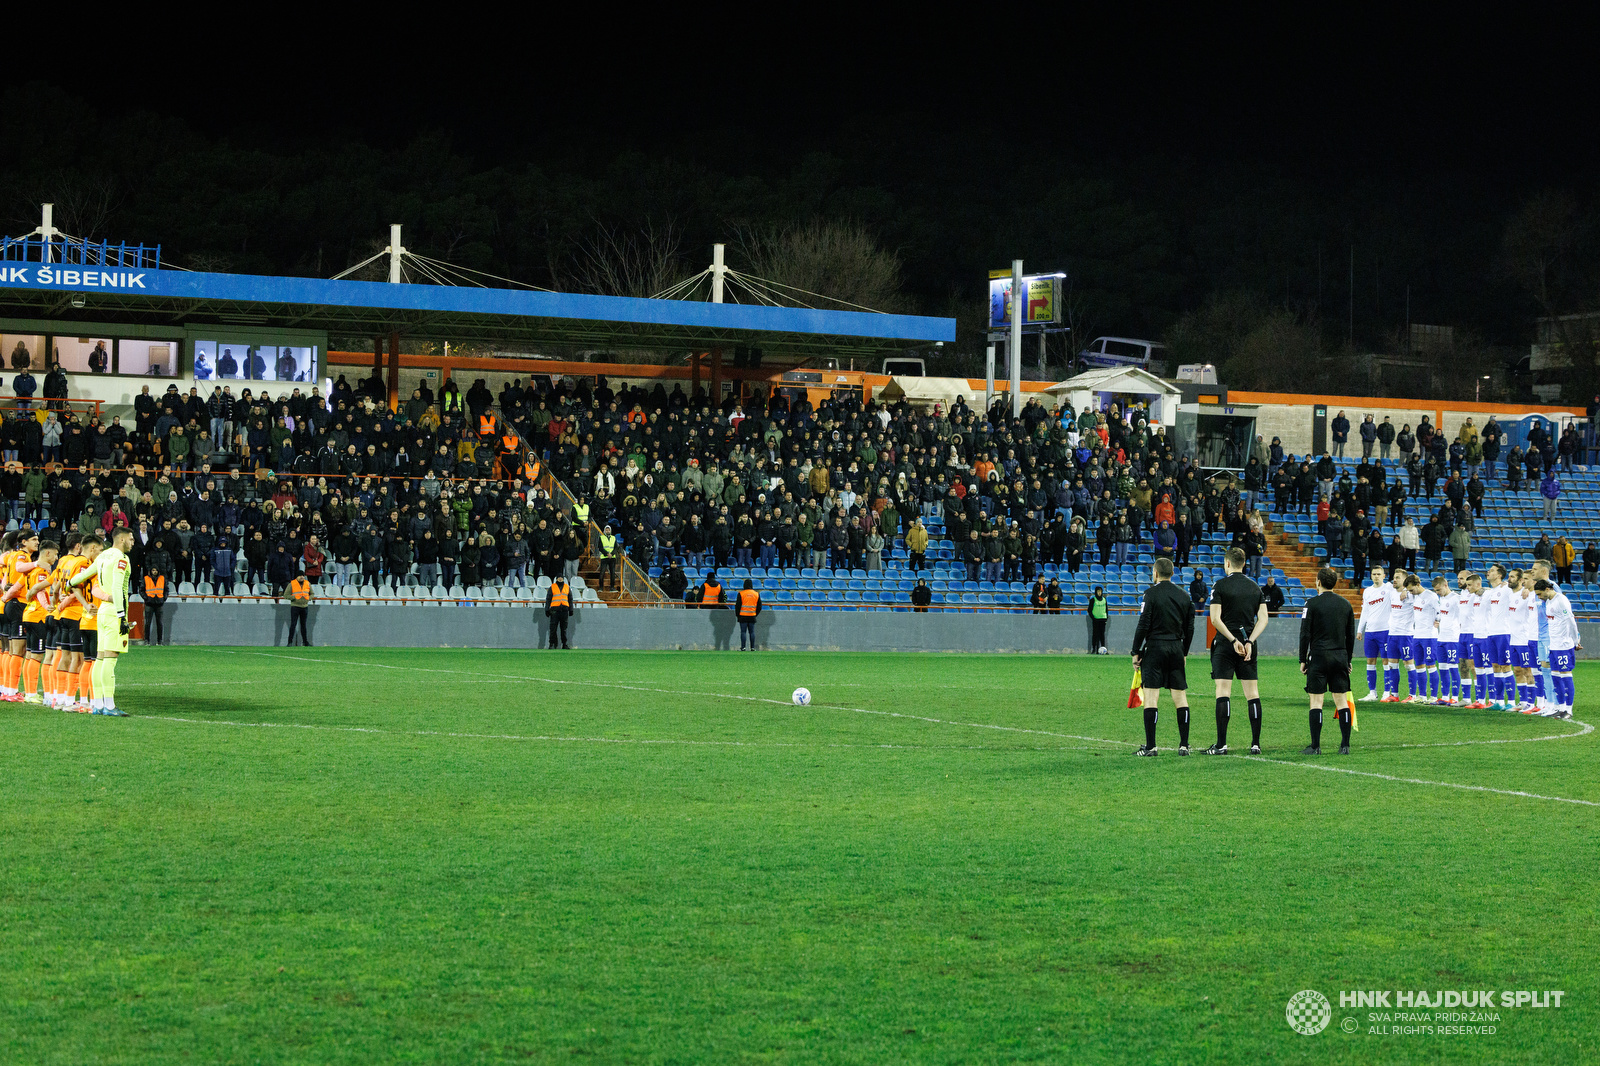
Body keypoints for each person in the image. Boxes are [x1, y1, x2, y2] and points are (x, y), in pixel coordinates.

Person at [1130, 557, 1195, 756]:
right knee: (1180, 697)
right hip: (1176, 647)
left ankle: (1151, 747)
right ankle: (1184, 745)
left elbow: (1143, 624)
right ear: (1172, 573)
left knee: (1151, 697)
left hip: (1155, 648)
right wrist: (1184, 651)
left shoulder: (1150, 594)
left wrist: (1135, 651)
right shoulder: (1184, 596)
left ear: (1156, 573)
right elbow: (1190, 628)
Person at [1206, 547, 1269, 755]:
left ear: (1227, 563)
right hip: (1248, 645)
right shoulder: (1255, 588)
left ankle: (1222, 745)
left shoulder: (1220, 586)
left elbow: (1215, 619)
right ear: (1244, 564)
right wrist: (1249, 640)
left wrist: (1232, 639)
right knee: (1252, 694)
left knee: (1223, 692)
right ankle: (1256, 744)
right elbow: (1264, 619)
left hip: (1226, 644)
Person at [69, 526, 134, 715]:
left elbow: (83, 576)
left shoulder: (103, 556)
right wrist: (122, 616)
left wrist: (70, 583)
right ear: (121, 539)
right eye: (130, 539)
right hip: (114, 612)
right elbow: (116, 586)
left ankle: (97, 704)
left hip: (102, 613)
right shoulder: (121, 559)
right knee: (110, 660)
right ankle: (110, 705)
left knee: (99, 659)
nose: (132, 542)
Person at [1299, 565, 1356, 755]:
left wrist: (1302, 659)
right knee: (1341, 702)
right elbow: (1350, 635)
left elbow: (1304, 634)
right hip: (1340, 656)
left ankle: (1315, 746)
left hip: (1319, 656)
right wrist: (1348, 659)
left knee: (1316, 702)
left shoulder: (1311, 604)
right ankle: (1345, 745)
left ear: (1318, 582)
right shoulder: (1346, 604)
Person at [18, 540, 59, 703]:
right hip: (37, 616)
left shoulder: (31, 570)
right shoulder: (41, 570)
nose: (56, 557)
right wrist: (48, 606)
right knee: (36, 656)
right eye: (55, 554)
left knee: (30, 655)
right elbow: (40, 591)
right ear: (47, 553)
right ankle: (31, 693)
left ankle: (29, 692)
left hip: (28, 613)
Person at [1534, 579, 1578, 719]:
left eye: (1540, 594)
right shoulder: (1548, 602)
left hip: (1564, 645)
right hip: (1553, 645)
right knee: (1556, 677)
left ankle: (1568, 710)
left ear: (1547, 589)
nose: (1539, 597)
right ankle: (1560, 708)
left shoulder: (1561, 600)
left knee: (1565, 676)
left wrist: (1575, 641)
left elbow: (1571, 621)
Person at [1354, 565, 1391, 701]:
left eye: (1378, 574)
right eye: (1374, 574)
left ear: (1383, 576)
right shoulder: (1367, 591)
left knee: (1386, 661)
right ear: (1371, 576)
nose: (1376, 576)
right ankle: (1372, 693)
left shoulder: (1388, 588)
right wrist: (1360, 629)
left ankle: (1387, 691)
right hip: (1370, 632)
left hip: (1385, 631)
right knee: (1370, 661)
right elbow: (1365, 611)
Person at [1432, 575, 1462, 706]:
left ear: (1445, 585)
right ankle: (1445, 696)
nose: (1437, 593)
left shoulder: (1456, 599)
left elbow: (1462, 618)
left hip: (1453, 639)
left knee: (1453, 667)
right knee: (1442, 668)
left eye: (1439, 590)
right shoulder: (1441, 599)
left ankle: (1454, 697)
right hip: (1441, 638)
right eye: (1436, 591)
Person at [544, 574, 573, 649]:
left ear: (563, 579)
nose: (560, 579)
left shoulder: (567, 587)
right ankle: (551, 644)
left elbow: (570, 599)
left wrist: (571, 609)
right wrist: (547, 609)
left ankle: (564, 644)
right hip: (554, 611)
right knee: (553, 628)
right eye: (559, 578)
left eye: (561, 578)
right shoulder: (552, 587)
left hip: (564, 610)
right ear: (556, 579)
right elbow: (548, 599)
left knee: (564, 629)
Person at [287, 571, 314, 647]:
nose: (302, 577)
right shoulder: (291, 584)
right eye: (300, 575)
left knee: (303, 625)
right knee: (293, 624)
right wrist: (293, 598)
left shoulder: (307, 583)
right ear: (296, 577)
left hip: (304, 607)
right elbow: (286, 595)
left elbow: (312, 594)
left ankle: (305, 642)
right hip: (295, 606)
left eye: (303, 575)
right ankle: (290, 642)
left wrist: (309, 598)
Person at [142, 567, 168, 646]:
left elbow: (166, 589)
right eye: (153, 570)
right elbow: (141, 590)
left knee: (159, 623)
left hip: (159, 603)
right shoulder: (146, 579)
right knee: (148, 623)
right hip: (149, 603)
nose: (155, 572)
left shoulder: (162, 578)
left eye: (156, 570)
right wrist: (146, 598)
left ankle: (159, 641)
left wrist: (163, 598)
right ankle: (147, 640)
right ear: (150, 571)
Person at [734, 578, 762, 650]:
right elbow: (759, 606)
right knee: (752, 632)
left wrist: (738, 615)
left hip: (743, 616)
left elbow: (738, 606)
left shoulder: (741, 593)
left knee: (743, 632)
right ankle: (752, 647)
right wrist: (755, 614)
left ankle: (743, 647)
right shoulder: (756, 594)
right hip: (752, 615)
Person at [1088, 586, 1109, 652]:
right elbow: (1089, 610)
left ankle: (1103, 649)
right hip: (1096, 619)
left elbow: (1106, 610)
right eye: (1098, 591)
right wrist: (1093, 618)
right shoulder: (1093, 600)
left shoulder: (1104, 600)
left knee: (1102, 635)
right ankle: (1094, 649)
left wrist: (1106, 618)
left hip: (1103, 619)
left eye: (1100, 591)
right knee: (1095, 635)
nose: (1099, 593)